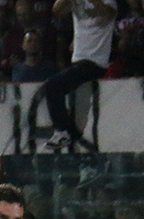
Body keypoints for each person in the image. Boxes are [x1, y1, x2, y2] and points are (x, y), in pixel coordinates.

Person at [43, 0, 118, 151]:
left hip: (95, 62)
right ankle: (71, 134)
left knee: (53, 86)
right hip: (78, 60)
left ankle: (62, 131)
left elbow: (106, 14)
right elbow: (57, 9)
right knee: (76, 113)